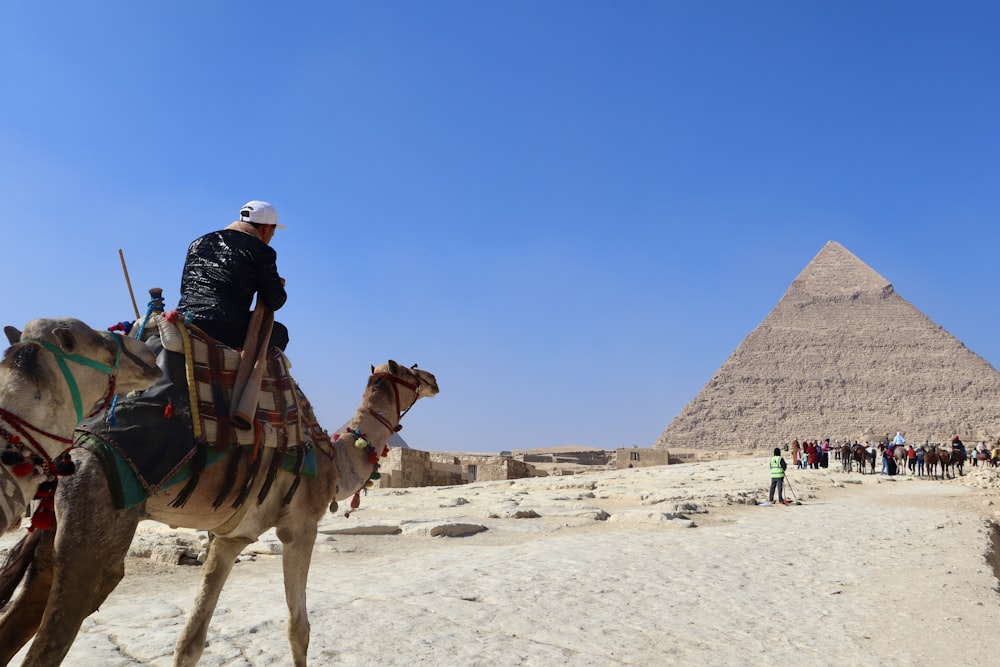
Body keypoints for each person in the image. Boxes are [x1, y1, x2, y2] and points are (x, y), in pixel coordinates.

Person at [177, 200, 289, 351]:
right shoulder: (262, 251)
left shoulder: (198, 243)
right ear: (266, 229)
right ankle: (251, 374)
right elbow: (274, 301)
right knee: (279, 332)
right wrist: (278, 286)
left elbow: (185, 288)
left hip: (186, 320)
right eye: (273, 234)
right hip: (226, 327)